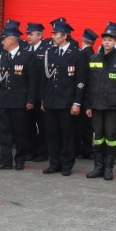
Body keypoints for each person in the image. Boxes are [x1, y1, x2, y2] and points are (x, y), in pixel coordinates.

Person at [40, 20, 88, 176]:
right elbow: (45, 78)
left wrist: (77, 102)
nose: (52, 36)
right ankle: (54, 164)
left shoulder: (77, 54)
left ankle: (67, 164)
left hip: (67, 102)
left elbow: (81, 80)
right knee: (52, 135)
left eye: (55, 34)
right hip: (51, 101)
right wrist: (43, 99)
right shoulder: (50, 52)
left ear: (64, 36)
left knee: (67, 135)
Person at [0, 24, 38, 171]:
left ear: (12, 40)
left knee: (20, 133)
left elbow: (33, 81)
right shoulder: (2, 56)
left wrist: (30, 100)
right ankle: (5, 161)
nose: (2, 42)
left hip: (20, 101)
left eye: (4, 39)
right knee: (4, 133)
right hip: (4, 100)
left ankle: (20, 160)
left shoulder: (27, 56)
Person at [84, 24, 116, 180]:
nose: (107, 42)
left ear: (115, 42)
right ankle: (98, 167)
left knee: (111, 138)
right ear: (102, 42)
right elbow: (88, 84)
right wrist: (88, 105)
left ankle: (109, 168)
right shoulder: (93, 59)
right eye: (105, 40)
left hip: (112, 107)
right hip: (96, 106)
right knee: (98, 137)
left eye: (110, 40)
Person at [25, 22, 49, 162]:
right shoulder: (25, 49)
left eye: (31, 34)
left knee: (43, 125)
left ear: (40, 36)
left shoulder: (47, 50)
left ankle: (42, 152)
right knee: (28, 125)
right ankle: (30, 150)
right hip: (28, 95)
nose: (28, 36)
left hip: (41, 94)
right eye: (28, 34)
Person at [74, 28, 98, 160]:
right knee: (88, 125)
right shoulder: (92, 53)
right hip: (90, 94)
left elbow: (81, 76)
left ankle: (79, 149)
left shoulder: (83, 54)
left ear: (83, 39)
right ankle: (87, 149)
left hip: (83, 94)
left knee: (79, 125)